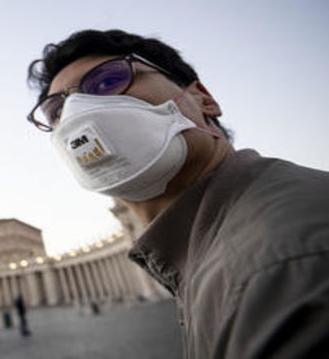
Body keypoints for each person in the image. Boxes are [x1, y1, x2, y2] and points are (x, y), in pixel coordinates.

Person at [25, 29, 329, 358]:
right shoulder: (222, 250)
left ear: (202, 99)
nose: (78, 113)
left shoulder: (283, 266)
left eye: (108, 81)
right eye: (57, 111)